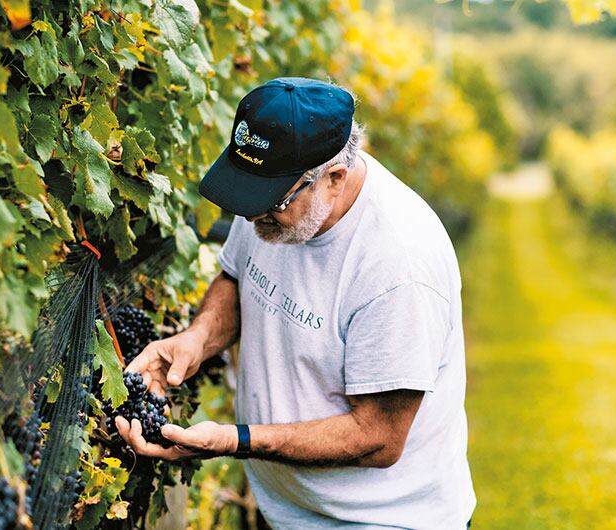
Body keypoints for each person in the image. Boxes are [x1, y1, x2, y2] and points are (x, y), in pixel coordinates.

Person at [115, 77, 475, 529]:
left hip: (381, 521)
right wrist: (197, 339)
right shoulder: (276, 196)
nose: (249, 216)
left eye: (269, 202)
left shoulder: (398, 266)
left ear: (335, 178)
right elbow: (236, 276)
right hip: (288, 511)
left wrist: (235, 440)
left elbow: (378, 437)